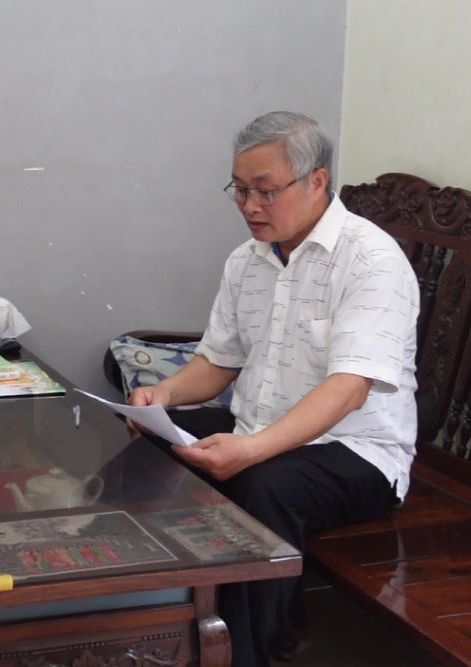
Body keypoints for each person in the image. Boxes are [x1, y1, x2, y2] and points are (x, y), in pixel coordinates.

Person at [128, 111, 418, 667]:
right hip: (257, 429)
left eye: (265, 191)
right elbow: (218, 363)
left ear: (317, 181)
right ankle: (157, 627)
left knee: (265, 486)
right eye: (239, 191)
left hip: (358, 452)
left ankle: (246, 652)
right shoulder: (247, 261)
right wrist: (163, 396)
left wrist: (250, 450)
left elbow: (350, 388)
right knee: (149, 443)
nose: (250, 207)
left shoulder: (371, 260)